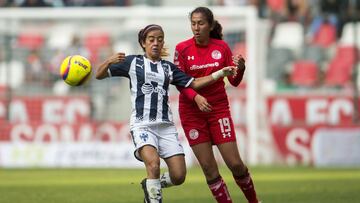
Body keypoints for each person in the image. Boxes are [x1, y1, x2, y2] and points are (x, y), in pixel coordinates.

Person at [95, 24, 236, 203]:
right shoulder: (132, 62)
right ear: (143, 43)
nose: (156, 43)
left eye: (160, 40)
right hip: (142, 125)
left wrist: (219, 73)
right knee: (153, 165)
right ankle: (153, 196)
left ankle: (151, 185)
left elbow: (193, 84)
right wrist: (108, 61)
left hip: (166, 128)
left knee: (179, 176)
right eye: (151, 40)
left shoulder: (168, 68)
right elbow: (99, 75)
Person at [173, 7, 260, 203]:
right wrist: (196, 98)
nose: (196, 28)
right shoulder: (182, 49)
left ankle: (254, 201)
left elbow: (234, 81)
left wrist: (241, 69)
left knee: (235, 164)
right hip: (192, 113)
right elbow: (180, 82)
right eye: (193, 23)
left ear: (210, 25)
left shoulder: (221, 47)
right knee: (209, 169)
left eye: (200, 23)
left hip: (218, 110)